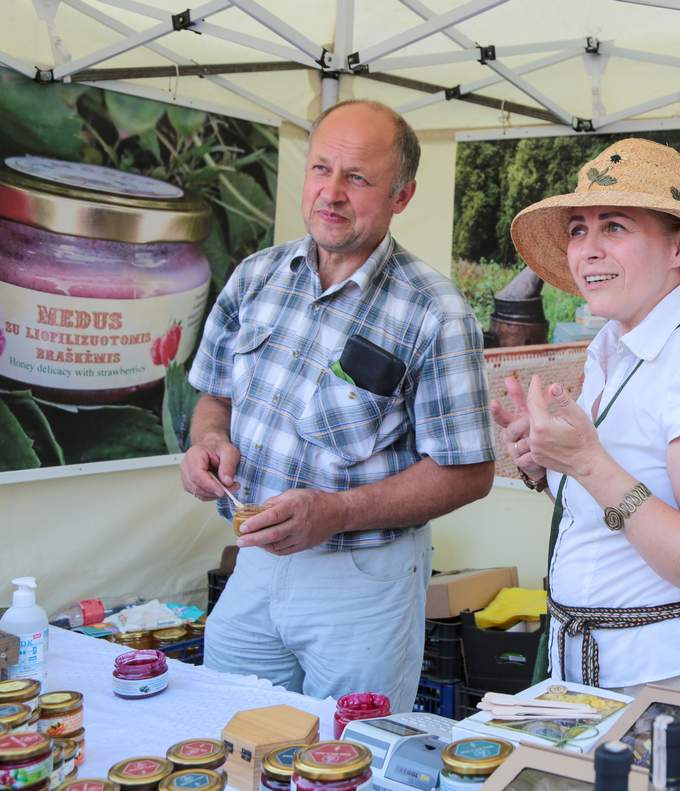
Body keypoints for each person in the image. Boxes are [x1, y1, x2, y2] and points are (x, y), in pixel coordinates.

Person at [179, 100, 495, 708]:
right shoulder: (256, 276)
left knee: (349, 759)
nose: (332, 192)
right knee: (233, 734)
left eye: (357, 178)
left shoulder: (436, 310)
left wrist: (338, 511)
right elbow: (215, 394)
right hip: (253, 563)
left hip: (362, 582)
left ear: (401, 196)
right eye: (321, 169)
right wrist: (207, 442)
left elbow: (469, 473)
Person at [495, 139, 680, 698]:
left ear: (679, 246)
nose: (588, 249)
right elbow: (617, 511)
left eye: (615, 227)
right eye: (579, 229)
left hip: (679, 683)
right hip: (597, 674)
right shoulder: (612, 346)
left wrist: (587, 463)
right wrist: (547, 466)